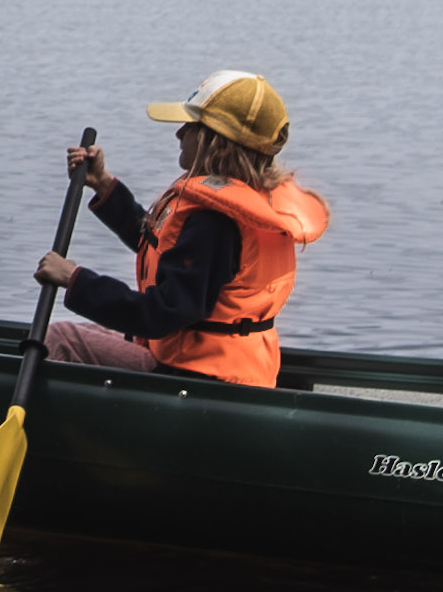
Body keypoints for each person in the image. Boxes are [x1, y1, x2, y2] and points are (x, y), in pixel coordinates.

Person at [34, 72, 331, 388]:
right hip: (229, 368)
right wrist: (104, 185)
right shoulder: (249, 200)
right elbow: (164, 247)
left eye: (190, 126)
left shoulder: (214, 221)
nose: (179, 134)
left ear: (213, 143)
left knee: (60, 338)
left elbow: (161, 313)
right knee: (89, 335)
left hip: (200, 379)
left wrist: (74, 279)